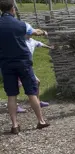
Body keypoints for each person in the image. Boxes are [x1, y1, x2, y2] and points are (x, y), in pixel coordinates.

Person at [0, 0, 50, 134]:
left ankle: (15, 125)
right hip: (23, 62)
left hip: (6, 63)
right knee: (31, 92)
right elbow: (35, 32)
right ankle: (40, 121)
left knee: (11, 95)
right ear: (12, 9)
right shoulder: (22, 24)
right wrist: (43, 32)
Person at [17, 34, 54, 113]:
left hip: (27, 66)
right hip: (20, 65)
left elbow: (40, 44)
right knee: (18, 85)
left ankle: (38, 102)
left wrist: (49, 47)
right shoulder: (21, 41)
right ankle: (16, 106)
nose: (30, 34)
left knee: (37, 82)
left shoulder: (33, 41)